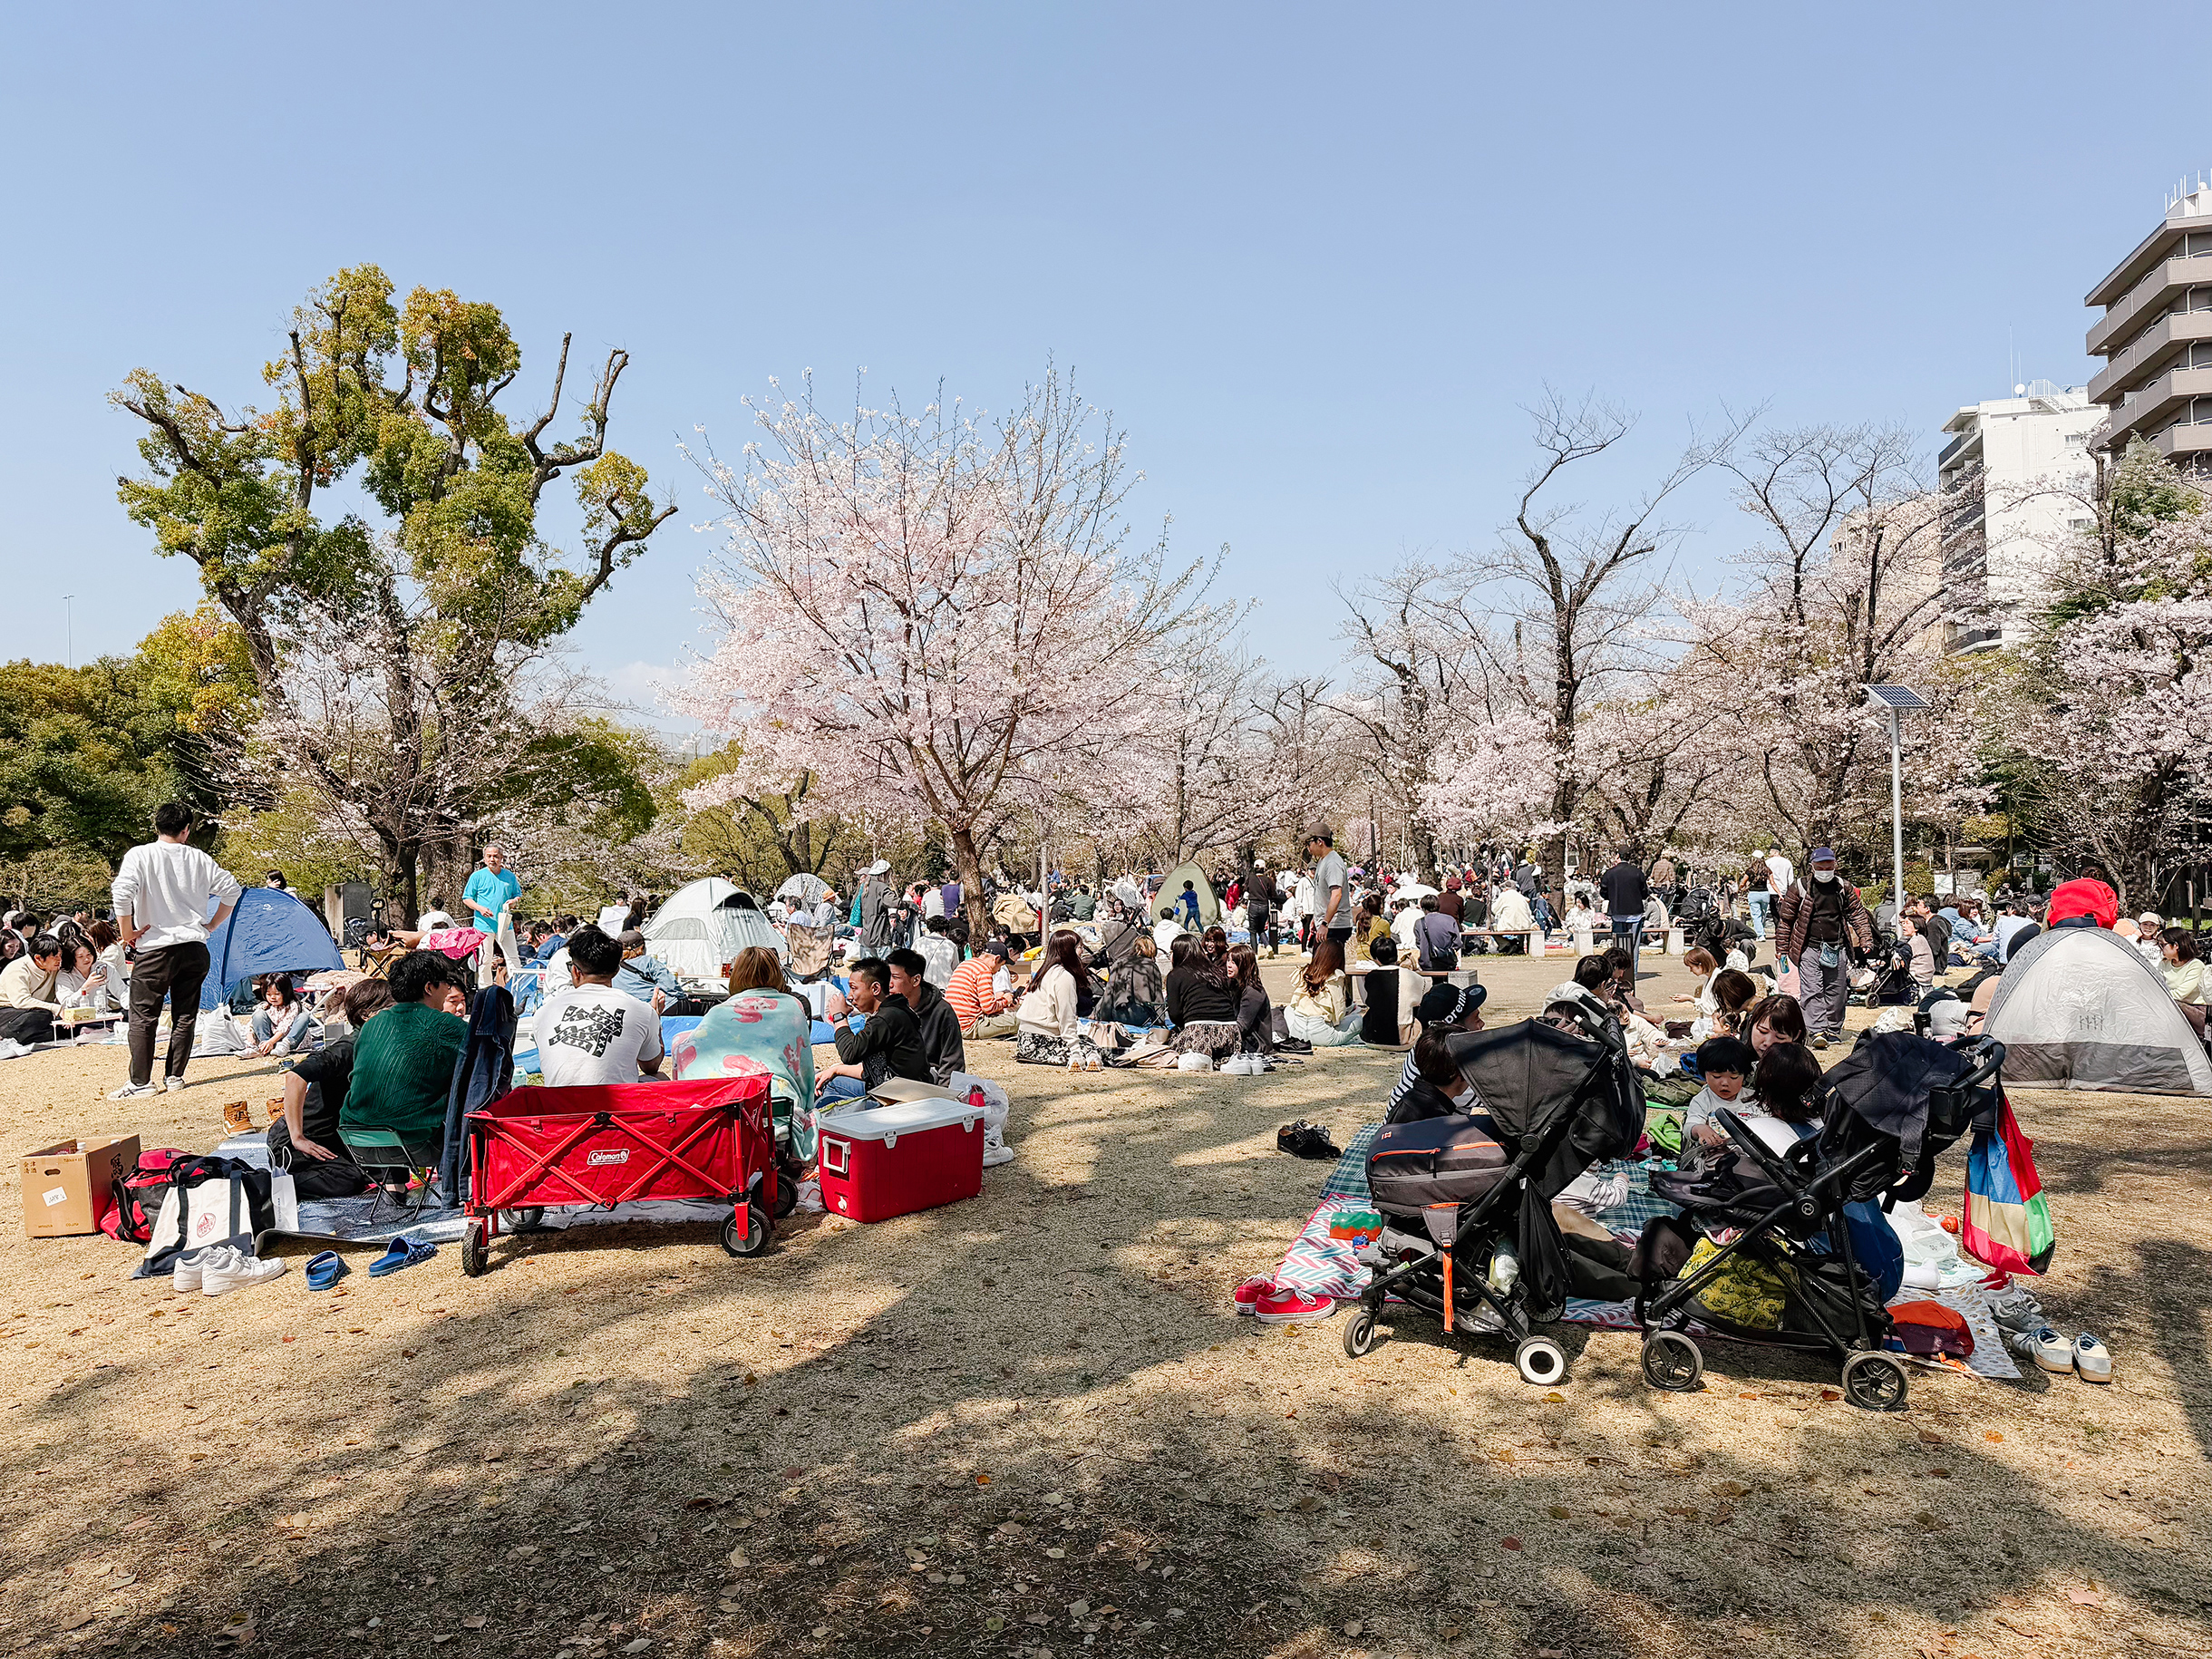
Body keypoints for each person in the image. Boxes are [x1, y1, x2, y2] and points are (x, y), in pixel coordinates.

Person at [108, 802, 243, 1100]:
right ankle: (175, 1076)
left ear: (156, 825)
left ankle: (141, 1082)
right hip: (194, 946)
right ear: (186, 830)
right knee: (186, 1014)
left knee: (143, 1015)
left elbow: (122, 892)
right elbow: (232, 890)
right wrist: (211, 926)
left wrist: (126, 931)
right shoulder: (200, 859)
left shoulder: (141, 855)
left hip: (156, 948)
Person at [671, 946, 818, 1156]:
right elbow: (802, 1067)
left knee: (680, 1039)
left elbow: (690, 1048)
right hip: (776, 1111)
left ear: (736, 975)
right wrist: (806, 1104)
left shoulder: (719, 1012)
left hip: (718, 1113)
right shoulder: (793, 1007)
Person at [342, 950, 474, 1160]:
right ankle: (460, 1191)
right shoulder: (446, 1025)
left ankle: (396, 1190)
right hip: (415, 1143)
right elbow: (483, 1070)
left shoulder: (373, 1023)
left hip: (356, 1139)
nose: (448, 990)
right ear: (429, 987)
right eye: (446, 986)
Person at [268, 977, 392, 1198]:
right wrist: (297, 1137)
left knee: (384, 1171)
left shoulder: (379, 1046)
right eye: (390, 1009)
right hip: (296, 1143)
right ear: (367, 1015)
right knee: (349, 1180)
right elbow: (295, 1077)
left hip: (336, 1139)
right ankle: (261, 1185)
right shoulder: (347, 1048)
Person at [530, 925, 665, 1086]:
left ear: (575, 971)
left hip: (559, 1105)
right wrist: (655, 1019)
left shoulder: (544, 1012)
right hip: (615, 1107)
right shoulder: (641, 1010)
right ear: (616, 971)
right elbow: (651, 1066)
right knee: (661, 1078)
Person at [1773, 847, 1874, 1047]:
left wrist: (1866, 938)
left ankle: (1834, 1030)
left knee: (1837, 991)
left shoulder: (1843, 887)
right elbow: (1786, 920)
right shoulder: (1799, 887)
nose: (1825, 869)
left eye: (1829, 865)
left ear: (1835, 865)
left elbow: (1857, 914)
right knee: (1812, 990)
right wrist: (1782, 948)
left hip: (1837, 947)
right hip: (1808, 948)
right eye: (1821, 866)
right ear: (1813, 866)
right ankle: (1817, 1031)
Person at [817, 957, 932, 1101]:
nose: (849, 996)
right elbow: (873, 1068)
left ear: (876, 989)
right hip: (892, 1089)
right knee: (830, 1080)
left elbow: (849, 1053)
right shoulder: (892, 1011)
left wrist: (839, 1017)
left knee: (827, 1093)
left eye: (854, 988)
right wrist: (835, 1069)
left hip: (899, 1100)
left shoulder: (886, 1018)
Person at [1013, 933, 1101, 1069]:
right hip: (1044, 1040)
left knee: (1086, 1041)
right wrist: (1074, 1048)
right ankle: (1086, 1058)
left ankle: (1088, 1057)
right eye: (1079, 947)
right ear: (1068, 950)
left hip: (1025, 1040)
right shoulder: (1064, 977)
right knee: (1091, 1046)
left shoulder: (1045, 972)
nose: (1082, 951)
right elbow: (1066, 1016)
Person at [887, 946, 966, 1082]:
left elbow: (952, 1065)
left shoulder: (942, 1012)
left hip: (922, 1086)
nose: (889, 984)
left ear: (916, 980)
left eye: (895, 977)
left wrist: (941, 1099)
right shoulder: (885, 1006)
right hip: (884, 1082)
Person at [1681, 1034, 1757, 1162]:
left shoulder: (1753, 1098)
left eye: (1733, 1077)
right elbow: (1689, 1126)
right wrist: (1700, 1129)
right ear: (1704, 1074)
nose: (1725, 1083)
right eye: (1716, 1076)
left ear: (1745, 1075)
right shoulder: (1703, 1100)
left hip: (1749, 1158)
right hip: (1713, 1159)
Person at [461, 844, 526, 982]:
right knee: (485, 959)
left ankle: (516, 988)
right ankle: (485, 989)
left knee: (513, 957)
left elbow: (517, 895)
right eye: (489, 856)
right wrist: (480, 909)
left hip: (504, 924)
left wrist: (514, 902)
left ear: (501, 858)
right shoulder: (477, 876)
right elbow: (467, 898)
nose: (492, 859)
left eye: (496, 856)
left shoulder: (510, 876)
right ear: (484, 859)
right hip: (484, 925)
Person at [1284, 936, 1362, 1047]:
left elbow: (1294, 1005)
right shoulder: (1335, 976)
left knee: (1288, 1010)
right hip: (1323, 1035)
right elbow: (1339, 1014)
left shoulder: (1305, 971)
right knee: (1358, 1020)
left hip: (1297, 1033)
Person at [946, 939, 1021, 1038]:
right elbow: (988, 1007)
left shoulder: (965, 964)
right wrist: (1006, 1000)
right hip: (969, 1027)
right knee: (1019, 1020)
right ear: (996, 959)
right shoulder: (984, 971)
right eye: (1001, 965)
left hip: (954, 1024)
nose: (998, 970)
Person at [1094, 931, 1165, 1032]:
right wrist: (1160, 1021)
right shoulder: (1151, 966)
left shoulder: (1119, 962)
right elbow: (1157, 996)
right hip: (1141, 1015)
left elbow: (1109, 993)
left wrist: (1104, 1019)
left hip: (1118, 1012)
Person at [1598, 847, 1648, 975]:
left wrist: (1613, 897)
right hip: (1635, 913)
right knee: (1634, 945)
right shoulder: (1637, 873)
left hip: (1617, 913)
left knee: (1618, 946)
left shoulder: (1610, 873)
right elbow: (1644, 893)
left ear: (1617, 856)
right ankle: (1633, 972)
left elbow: (1604, 892)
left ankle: (1617, 971)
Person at [1305, 825, 1349, 954]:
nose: (1308, 848)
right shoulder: (1322, 861)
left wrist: (1325, 923)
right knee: (1319, 970)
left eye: (1309, 843)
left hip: (1334, 926)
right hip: (1326, 924)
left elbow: (1336, 895)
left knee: (1327, 971)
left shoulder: (1332, 863)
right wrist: (1317, 917)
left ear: (1319, 842)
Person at [250, 975, 316, 1057]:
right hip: (271, 1040)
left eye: (277, 994)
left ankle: (284, 1045)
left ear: (286, 992)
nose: (272, 997)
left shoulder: (293, 1005)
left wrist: (272, 1041)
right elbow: (252, 1025)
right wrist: (251, 1039)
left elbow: (284, 1027)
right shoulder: (265, 1006)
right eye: (269, 994)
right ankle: (264, 1045)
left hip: (290, 1040)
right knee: (258, 1015)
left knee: (304, 1017)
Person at [613, 930, 680, 1011]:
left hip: (628, 1010)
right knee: (697, 1008)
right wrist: (682, 997)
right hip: (659, 1007)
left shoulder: (612, 966)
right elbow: (670, 985)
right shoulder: (647, 961)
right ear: (642, 947)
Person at [1742, 993, 1808, 1060]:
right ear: (1751, 1024)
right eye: (1763, 1032)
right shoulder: (1736, 1061)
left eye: (1780, 1037)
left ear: (1796, 1036)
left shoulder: (1801, 1068)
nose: (1768, 1043)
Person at [1412, 893, 1460, 973]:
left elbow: (1419, 943)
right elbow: (1457, 943)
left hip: (1427, 963)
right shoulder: (1450, 919)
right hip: (1447, 961)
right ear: (1438, 906)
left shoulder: (1419, 923)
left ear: (1423, 908)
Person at [916, 915, 960, 988]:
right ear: (945, 931)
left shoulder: (918, 942)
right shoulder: (951, 945)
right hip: (944, 987)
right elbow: (955, 968)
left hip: (922, 986)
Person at [1245, 867, 1277, 956]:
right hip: (1264, 906)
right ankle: (1268, 946)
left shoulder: (1251, 878)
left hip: (1253, 905)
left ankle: (1255, 953)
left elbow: (1245, 889)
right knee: (1261, 929)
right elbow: (1273, 894)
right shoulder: (1268, 880)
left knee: (1253, 931)